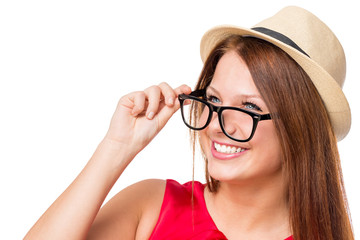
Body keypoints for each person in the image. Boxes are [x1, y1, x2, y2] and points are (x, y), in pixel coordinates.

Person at [24, 6, 354, 240]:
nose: (216, 124)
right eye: (212, 100)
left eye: (249, 106)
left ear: (301, 129)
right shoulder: (152, 207)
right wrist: (116, 148)